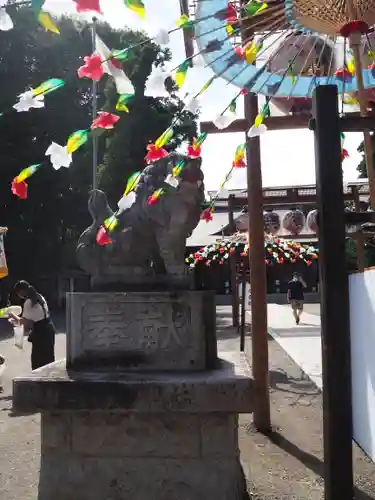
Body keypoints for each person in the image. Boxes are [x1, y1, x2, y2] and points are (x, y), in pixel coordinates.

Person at [8, 281, 55, 370]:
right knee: (48, 360)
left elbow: (26, 323)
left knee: (38, 362)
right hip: (49, 329)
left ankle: (40, 382)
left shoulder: (29, 302)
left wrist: (12, 315)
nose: (18, 295)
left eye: (18, 293)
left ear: (22, 291)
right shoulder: (39, 297)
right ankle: (49, 381)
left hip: (41, 333)